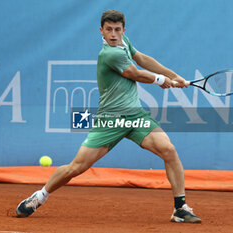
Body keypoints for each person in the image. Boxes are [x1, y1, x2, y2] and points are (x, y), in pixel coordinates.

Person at [16, 9, 201, 223]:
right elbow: (135, 73)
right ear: (101, 31)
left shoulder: (123, 43)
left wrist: (174, 75)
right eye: (109, 30)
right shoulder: (109, 53)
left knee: (169, 150)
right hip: (110, 121)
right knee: (77, 167)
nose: (113, 34)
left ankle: (180, 208)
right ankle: (40, 196)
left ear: (123, 30)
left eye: (117, 29)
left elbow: (142, 59)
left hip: (135, 117)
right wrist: (161, 80)